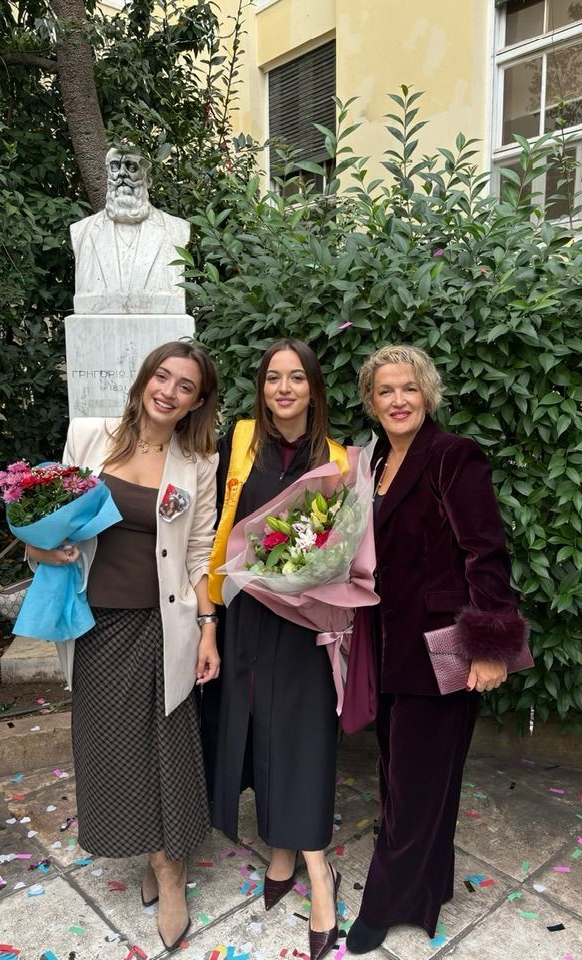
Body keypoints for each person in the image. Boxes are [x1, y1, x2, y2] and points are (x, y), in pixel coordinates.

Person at [24, 341, 220, 953]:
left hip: (164, 624)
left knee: (169, 744)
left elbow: (198, 550)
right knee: (114, 748)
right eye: (163, 376)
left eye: (185, 386)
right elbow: (50, 518)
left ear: (196, 402)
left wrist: (208, 627)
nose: (169, 391)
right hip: (95, 625)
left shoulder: (197, 462)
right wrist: (36, 547)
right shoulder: (88, 436)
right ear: (143, 380)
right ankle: (149, 849)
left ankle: (171, 868)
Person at [346, 344, 527, 953]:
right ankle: (427, 884)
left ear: (428, 393)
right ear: (371, 402)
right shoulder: (372, 463)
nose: (398, 400)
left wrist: (490, 646)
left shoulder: (454, 456)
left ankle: (385, 903)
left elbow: (485, 552)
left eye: (409, 388)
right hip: (385, 643)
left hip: (442, 645)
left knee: (418, 780)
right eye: (385, 391)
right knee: (400, 774)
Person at [207, 338, 346, 960]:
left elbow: (342, 546)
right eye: (272, 378)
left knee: (304, 735)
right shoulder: (237, 444)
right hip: (244, 614)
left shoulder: (338, 460)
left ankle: (318, 871)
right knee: (258, 727)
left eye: (295, 378)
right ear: (261, 388)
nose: (283, 389)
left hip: (304, 619)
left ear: (313, 388)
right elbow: (209, 524)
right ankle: (281, 847)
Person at [70, 145, 191, 315]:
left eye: (131, 167)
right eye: (114, 167)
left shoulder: (176, 229)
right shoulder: (82, 231)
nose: (121, 174)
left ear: (148, 180)